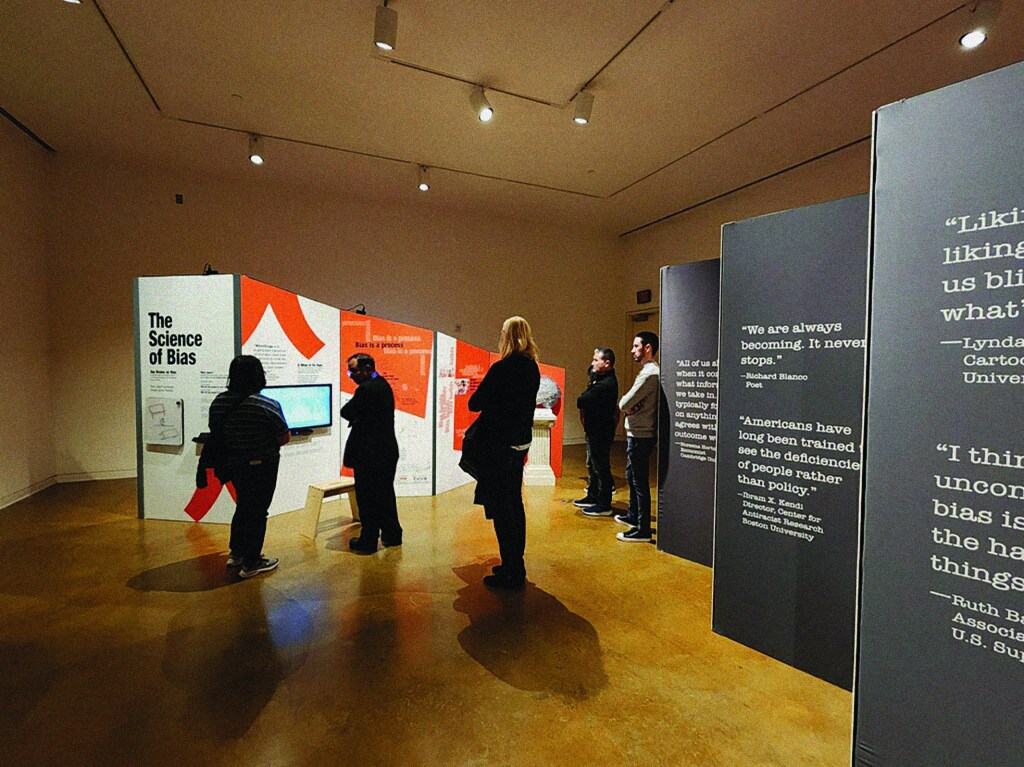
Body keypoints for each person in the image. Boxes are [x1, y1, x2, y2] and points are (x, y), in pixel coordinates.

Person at [468, 316, 541, 589]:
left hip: (498, 447)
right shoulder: (532, 367)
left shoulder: (502, 369)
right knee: (514, 503)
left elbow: (475, 403)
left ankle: (511, 570)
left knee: (501, 509)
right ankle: (516, 564)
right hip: (520, 444)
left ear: (506, 337)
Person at [208, 355, 290, 578]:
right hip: (262, 465)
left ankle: (237, 553)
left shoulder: (219, 402)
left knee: (243, 505)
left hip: (233, 464)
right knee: (258, 511)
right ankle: (252, 562)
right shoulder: (267, 404)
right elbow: (283, 437)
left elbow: (217, 431)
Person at [341, 353, 402, 554]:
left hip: (370, 453)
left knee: (367, 498)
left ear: (367, 368)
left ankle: (368, 541)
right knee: (384, 494)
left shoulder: (367, 389)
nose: (350, 375)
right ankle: (392, 534)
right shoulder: (382, 384)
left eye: (354, 370)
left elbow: (346, 412)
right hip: (386, 450)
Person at [616, 331, 660, 542]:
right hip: (637, 432)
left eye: (636, 346)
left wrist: (629, 407)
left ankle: (642, 529)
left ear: (648, 348)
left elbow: (624, 403)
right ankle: (634, 516)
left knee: (639, 481)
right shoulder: (648, 372)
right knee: (632, 476)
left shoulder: (650, 373)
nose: (632, 350)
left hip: (641, 434)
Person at [575, 348, 618, 517]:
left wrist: (589, 390)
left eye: (596, 360)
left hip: (601, 432)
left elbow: (581, 400)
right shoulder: (600, 381)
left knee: (601, 467)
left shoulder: (606, 384)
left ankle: (604, 503)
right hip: (594, 430)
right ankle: (593, 495)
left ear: (607, 363)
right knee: (592, 465)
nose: (592, 363)